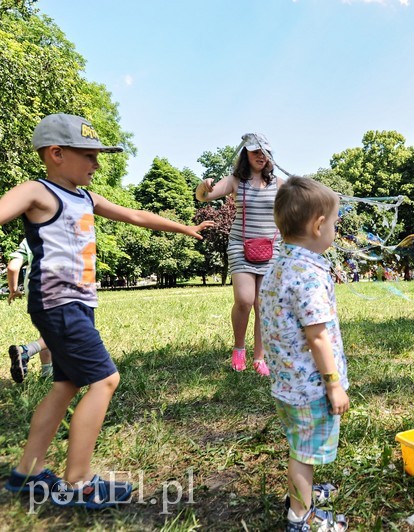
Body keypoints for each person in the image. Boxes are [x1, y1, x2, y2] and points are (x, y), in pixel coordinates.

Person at [1, 113, 214, 507]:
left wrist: (184, 228)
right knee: (105, 380)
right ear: (57, 153)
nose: (97, 165)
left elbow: (135, 215)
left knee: (65, 385)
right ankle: (79, 482)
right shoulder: (37, 191)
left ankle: (26, 473)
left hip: (78, 303)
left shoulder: (85, 197)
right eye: (90, 156)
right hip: (57, 302)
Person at [260, 177, 349, 531]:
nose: (335, 231)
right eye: (335, 224)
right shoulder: (307, 275)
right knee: (305, 454)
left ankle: (305, 492)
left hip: (288, 384)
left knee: (301, 443)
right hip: (311, 388)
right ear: (318, 225)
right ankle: (301, 516)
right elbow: (318, 338)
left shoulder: (277, 267)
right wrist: (334, 384)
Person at [196, 133, 281, 376]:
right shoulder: (235, 180)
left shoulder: (278, 183)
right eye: (255, 152)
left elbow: (301, 202)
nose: (260, 156)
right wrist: (203, 186)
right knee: (245, 300)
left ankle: (259, 358)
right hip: (240, 246)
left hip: (271, 249)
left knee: (263, 305)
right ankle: (239, 349)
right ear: (245, 154)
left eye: (264, 152)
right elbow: (204, 196)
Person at [7, 238, 52, 381]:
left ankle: (47, 372)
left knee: (45, 332)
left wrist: (13, 289)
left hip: (34, 292)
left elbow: (13, 267)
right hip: (56, 290)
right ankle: (25, 351)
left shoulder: (30, 237)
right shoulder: (62, 233)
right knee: (64, 331)